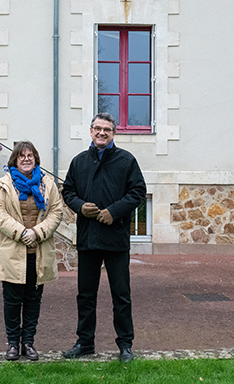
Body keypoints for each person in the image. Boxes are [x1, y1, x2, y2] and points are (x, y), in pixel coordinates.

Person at [61, 112, 147, 363]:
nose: (101, 133)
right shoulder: (79, 162)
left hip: (116, 239)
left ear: (113, 133)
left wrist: (114, 211)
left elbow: (138, 192)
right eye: (97, 128)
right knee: (85, 294)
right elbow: (68, 191)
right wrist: (79, 206)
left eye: (107, 129)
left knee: (121, 294)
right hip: (88, 238)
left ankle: (125, 345)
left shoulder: (126, 160)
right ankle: (85, 342)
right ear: (90, 131)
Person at [0, 141, 63, 361]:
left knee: (33, 301)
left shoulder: (47, 184)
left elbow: (56, 212)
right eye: (21, 156)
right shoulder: (4, 184)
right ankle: (13, 344)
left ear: (36, 158)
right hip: (12, 253)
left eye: (30, 155)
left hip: (38, 253)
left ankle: (28, 343)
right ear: (14, 160)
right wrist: (22, 232)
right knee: (12, 302)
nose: (26, 159)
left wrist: (37, 232)